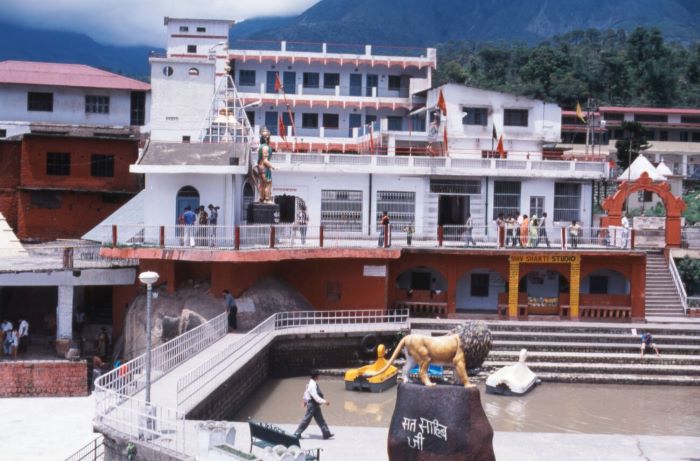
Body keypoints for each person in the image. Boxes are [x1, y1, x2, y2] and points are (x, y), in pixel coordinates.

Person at [294, 372, 334, 440]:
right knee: (307, 419)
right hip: (312, 404)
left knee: (320, 419)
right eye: (318, 376)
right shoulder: (312, 384)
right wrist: (324, 401)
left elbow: (306, 392)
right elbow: (315, 396)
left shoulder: (310, 383)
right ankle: (297, 433)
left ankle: (326, 433)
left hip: (314, 404)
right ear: (316, 376)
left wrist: (305, 400)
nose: (319, 377)